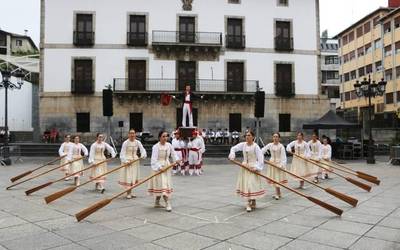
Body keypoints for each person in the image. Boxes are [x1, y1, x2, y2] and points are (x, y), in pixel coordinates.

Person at [229, 130, 265, 212]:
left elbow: (261, 159)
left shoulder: (256, 146)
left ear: (253, 137)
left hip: (253, 167)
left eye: (249, 135)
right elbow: (233, 148)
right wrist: (232, 154)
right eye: (246, 135)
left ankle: (253, 201)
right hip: (245, 167)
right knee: (247, 184)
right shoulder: (243, 145)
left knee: (252, 184)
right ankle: (249, 203)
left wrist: (256, 167)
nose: (247, 137)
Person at [148, 131, 179, 212]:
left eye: (166, 136)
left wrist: (177, 160)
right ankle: (167, 203)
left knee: (163, 184)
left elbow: (173, 154)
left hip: (167, 166)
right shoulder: (156, 147)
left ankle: (157, 202)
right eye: (163, 136)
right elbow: (153, 160)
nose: (165, 138)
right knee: (162, 184)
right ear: (159, 137)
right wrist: (159, 167)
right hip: (158, 167)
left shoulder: (169, 145)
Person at [119, 129, 147, 199]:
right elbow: (122, 154)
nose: (132, 135)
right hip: (128, 161)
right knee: (129, 177)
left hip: (135, 161)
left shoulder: (138, 142)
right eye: (131, 133)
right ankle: (128, 193)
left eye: (133, 133)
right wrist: (126, 161)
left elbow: (142, 149)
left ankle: (131, 192)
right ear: (128, 134)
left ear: (135, 134)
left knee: (133, 177)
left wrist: (143, 154)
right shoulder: (125, 143)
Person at [261, 133, 287, 200]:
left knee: (277, 179)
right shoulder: (270, 145)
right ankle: (278, 193)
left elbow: (283, 157)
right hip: (272, 163)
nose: (275, 138)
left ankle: (278, 193)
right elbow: (262, 150)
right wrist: (259, 156)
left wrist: (281, 165)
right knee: (274, 178)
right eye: (274, 137)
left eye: (277, 137)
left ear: (279, 138)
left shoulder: (281, 146)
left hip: (278, 164)